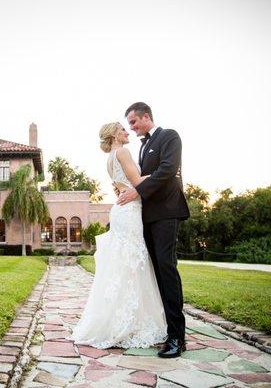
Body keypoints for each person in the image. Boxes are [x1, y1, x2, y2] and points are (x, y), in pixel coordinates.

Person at [68, 122, 168, 349]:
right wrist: (166, 173)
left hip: (124, 208)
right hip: (130, 211)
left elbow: (124, 184)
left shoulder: (111, 157)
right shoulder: (122, 152)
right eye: (123, 129)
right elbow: (138, 182)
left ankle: (123, 318)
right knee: (132, 261)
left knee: (126, 262)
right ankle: (128, 322)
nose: (127, 132)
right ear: (114, 134)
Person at [117, 102, 190, 358]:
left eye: (134, 122)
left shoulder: (169, 136)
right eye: (129, 125)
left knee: (167, 269)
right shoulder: (143, 146)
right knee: (156, 272)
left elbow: (168, 171)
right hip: (147, 216)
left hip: (167, 213)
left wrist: (136, 190)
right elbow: (142, 177)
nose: (132, 128)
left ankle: (177, 338)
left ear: (146, 116)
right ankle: (167, 329)